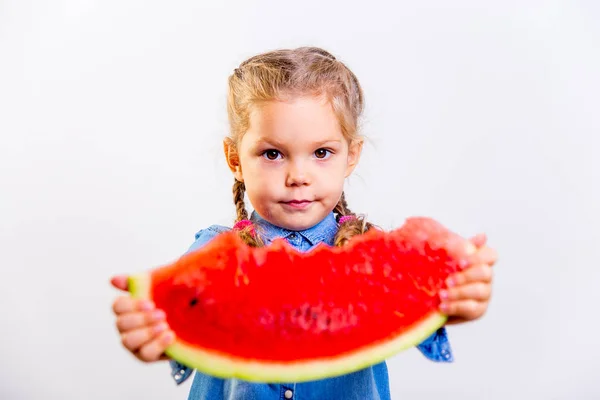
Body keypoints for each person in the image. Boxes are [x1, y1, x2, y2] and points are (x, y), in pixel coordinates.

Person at [110, 46, 497, 400]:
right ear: (235, 159)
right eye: (273, 153)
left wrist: (457, 300)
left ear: (352, 156)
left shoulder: (369, 249)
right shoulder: (214, 248)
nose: (299, 175)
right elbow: (179, 318)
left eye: (322, 152)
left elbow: (423, 311)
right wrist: (153, 330)